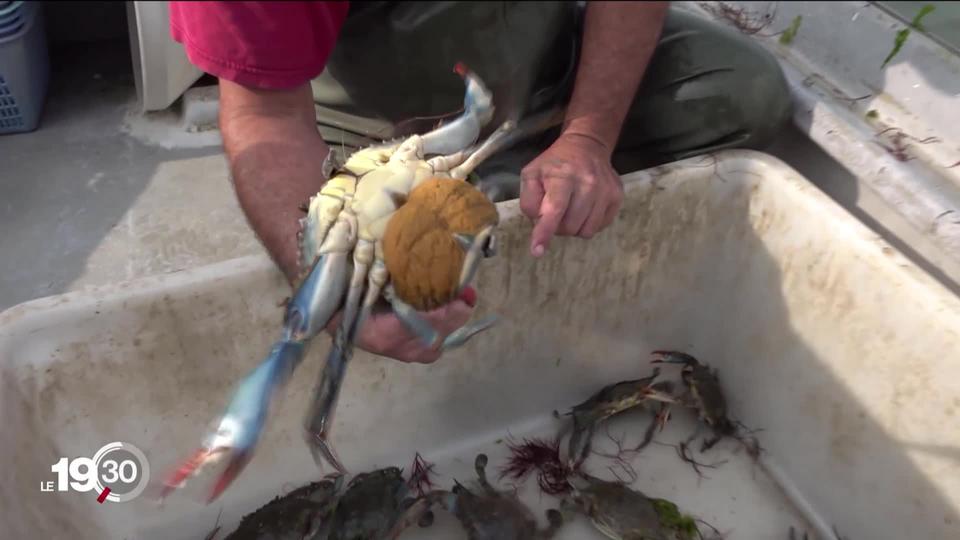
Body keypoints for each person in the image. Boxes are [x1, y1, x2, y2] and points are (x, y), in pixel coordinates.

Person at [169, 1, 791, 364]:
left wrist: (588, 137)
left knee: (744, 94)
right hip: (390, 136)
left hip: (553, 66)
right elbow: (265, 116)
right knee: (411, 256)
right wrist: (326, 288)